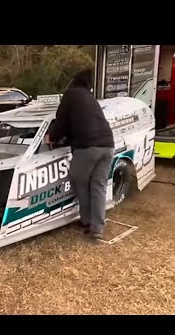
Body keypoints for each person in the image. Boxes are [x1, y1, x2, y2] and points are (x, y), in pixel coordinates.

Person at [45, 69, 114, 241]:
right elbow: (80, 120)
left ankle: (86, 220)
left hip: (88, 146)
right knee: (98, 186)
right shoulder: (90, 98)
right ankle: (97, 229)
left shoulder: (71, 94)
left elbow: (61, 121)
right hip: (108, 145)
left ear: (74, 81)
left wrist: (52, 136)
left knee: (78, 181)